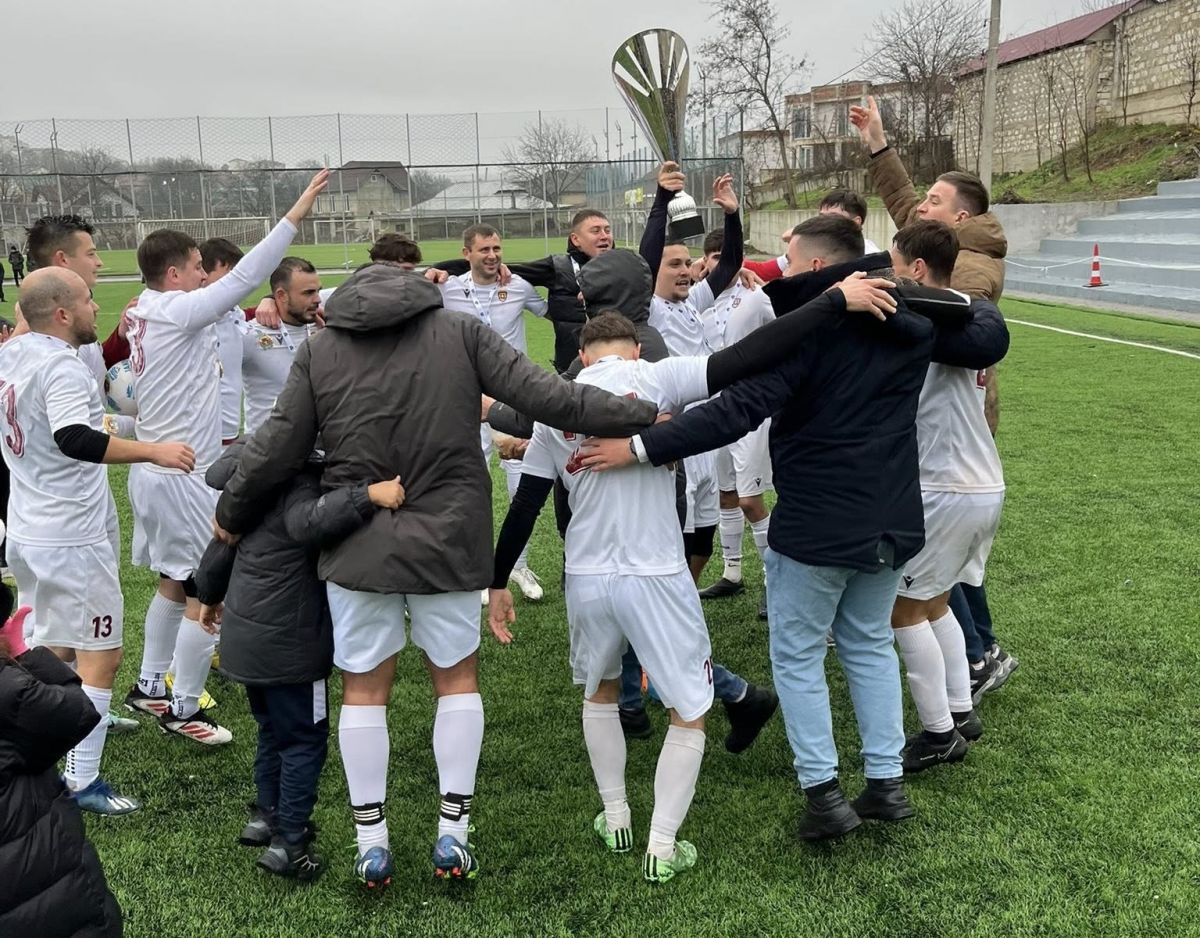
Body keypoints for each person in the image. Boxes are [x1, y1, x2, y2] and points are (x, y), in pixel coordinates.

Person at [211, 261, 661, 887]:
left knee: (364, 690)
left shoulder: (322, 347)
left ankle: (372, 842)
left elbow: (277, 444)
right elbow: (549, 397)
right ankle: (453, 833)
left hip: (358, 541)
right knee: (455, 682)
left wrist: (231, 512)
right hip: (448, 538)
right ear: (421, 290)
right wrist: (646, 414)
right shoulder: (460, 330)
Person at [577, 215, 941, 841]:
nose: (779, 272)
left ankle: (824, 795)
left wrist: (639, 447)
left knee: (798, 656)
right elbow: (981, 325)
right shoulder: (919, 323)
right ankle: (885, 783)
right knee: (868, 644)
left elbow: (736, 410)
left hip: (820, 521)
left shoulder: (814, 336)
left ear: (820, 267)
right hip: (893, 516)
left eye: (790, 261)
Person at [488, 313, 723, 883]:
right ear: (636, 350)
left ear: (584, 356)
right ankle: (661, 847)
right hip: (656, 571)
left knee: (600, 691)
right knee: (689, 711)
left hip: (587, 573)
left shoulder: (561, 404)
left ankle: (616, 818)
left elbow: (526, 505)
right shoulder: (660, 377)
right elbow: (729, 375)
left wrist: (496, 581)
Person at [122, 169, 329, 747]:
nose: (203, 276)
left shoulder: (144, 309)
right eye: (195, 268)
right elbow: (245, 275)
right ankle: (183, 707)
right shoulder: (176, 309)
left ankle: (149, 685)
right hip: (181, 470)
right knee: (205, 588)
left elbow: (241, 298)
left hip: (155, 469)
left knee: (173, 580)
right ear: (174, 274)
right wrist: (295, 214)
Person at [0, 269, 195, 814]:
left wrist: (136, 429)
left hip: (29, 526)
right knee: (101, 654)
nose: (95, 306)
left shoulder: (12, 354)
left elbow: (60, 424)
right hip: (70, 535)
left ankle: (27, 745)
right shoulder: (62, 365)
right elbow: (73, 438)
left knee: (49, 646)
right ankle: (81, 780)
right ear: (63, 313)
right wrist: (154, 452)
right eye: (88, 299)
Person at [194, 439, 406, 882]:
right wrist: (368, 495)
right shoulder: (302, 483)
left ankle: (266, 815)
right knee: (303, 741)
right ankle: (290, 842)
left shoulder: (248, 482)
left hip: (247, 640)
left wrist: (210, 596)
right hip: (290, 646)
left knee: (272, 731)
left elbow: (221, 546)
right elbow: (310, 521)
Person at [885, 220, 1010, 770]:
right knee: (936, 601)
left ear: (915, 268)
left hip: (945, 483)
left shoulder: (922, 318)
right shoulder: (964, 310)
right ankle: (960, 710)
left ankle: (938, 733)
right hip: (980, 481)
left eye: (893, 266)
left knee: (902, 610)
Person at [0, 590, 124, 937]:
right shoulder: (11, 691)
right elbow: (76, 712)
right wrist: (24, 654)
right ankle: (83, 779)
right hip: (31, 880)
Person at [439, 224, 548, 602]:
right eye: (484, 249)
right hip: (465, 399)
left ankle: (518, 566)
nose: (492, 255)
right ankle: (478, 570)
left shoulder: (518, 286)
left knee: (522, 486)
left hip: (513, 399)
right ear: (466, 253)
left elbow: (555, 312)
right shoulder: (446, 288)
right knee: (471, 488)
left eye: (497, 249)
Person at [691, 228, 775, 616]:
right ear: (705, 262)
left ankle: (775, 582)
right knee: (725, 495)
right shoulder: (697, 301)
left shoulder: (756, 296)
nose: (720, 265)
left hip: (751, 409)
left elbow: (783, 332)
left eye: (727, 258)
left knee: (749, 500)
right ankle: (732, 572)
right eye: (714, 258)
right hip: (712, 408)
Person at [849, 95, 1007, 300]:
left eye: (934, 201)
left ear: (960, 217)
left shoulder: (971, 270)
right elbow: (901, 196)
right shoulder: (939, 239)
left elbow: (965, 317)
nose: (920, 208)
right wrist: (877, 142)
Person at [427, 209, 615, 373]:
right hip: (470, 372)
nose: (604, 236)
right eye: (596, 231)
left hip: (617, 359)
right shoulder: (445, 288)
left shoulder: (625, 264)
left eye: (607, 230)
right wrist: (435, 270)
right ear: (575, 239)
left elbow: (548, 312)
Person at [241, 257, 321, 435]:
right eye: (308, 293)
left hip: (316, 445)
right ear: (281, 295)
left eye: (318, 291)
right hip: (265, 446)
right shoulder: (250, 334)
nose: (317, 299)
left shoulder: (321, 327)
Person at [198, 238, 248, 445]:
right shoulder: (193, 316)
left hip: (229, 431)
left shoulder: (235, 312)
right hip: (200, 435)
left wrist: (270, 300)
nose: (237, 283)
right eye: (230, 273)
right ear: (204, 273)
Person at [819, 189, 881, 253]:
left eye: (833, 216)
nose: (823, 222)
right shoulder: (818, 249)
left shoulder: (870, 256)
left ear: (856, 222)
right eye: (821, 216)